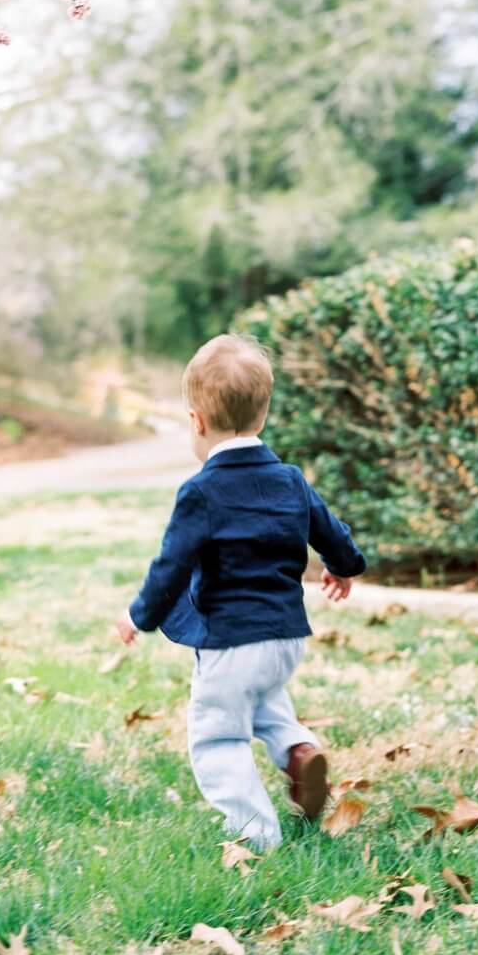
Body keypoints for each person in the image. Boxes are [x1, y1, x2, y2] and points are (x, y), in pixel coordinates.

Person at [115, 333, 366, 850]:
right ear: (262, 416)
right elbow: (332, 532)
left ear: (197, 422)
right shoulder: (290, 479)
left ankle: (256, 837)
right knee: (265, 702)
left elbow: (170, 566)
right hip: (285, 639)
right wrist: (344, 567)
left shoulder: (202, 491)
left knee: (218, 736)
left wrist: (140, 616)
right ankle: (299, 752)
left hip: (230, 642)